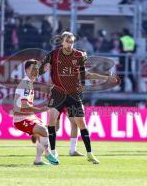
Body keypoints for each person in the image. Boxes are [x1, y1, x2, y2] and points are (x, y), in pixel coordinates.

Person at [39, 31, 115, 164]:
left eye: (72, 42)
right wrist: (42, 69)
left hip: (73, 94)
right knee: (52, 123)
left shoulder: (79, 55)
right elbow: (39, 70)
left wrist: (88, 83)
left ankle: (90, 154)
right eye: (68, 41)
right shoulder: (53, 55)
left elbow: (83, 73)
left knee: (81, 123)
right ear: (62, 41)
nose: (70, 44)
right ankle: (53, 152)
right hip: (57, 93)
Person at [13, 59, 59, 165]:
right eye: (33, 69)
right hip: (21, 119)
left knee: (44, 132)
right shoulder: (26, 84)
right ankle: (47, 154)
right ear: (26, 70)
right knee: (44, 131)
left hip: (29, 117)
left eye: (37, 68)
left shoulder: (29, 83)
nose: (36, 71)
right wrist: (40, 110)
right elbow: (24, 105)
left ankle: (38, 160)